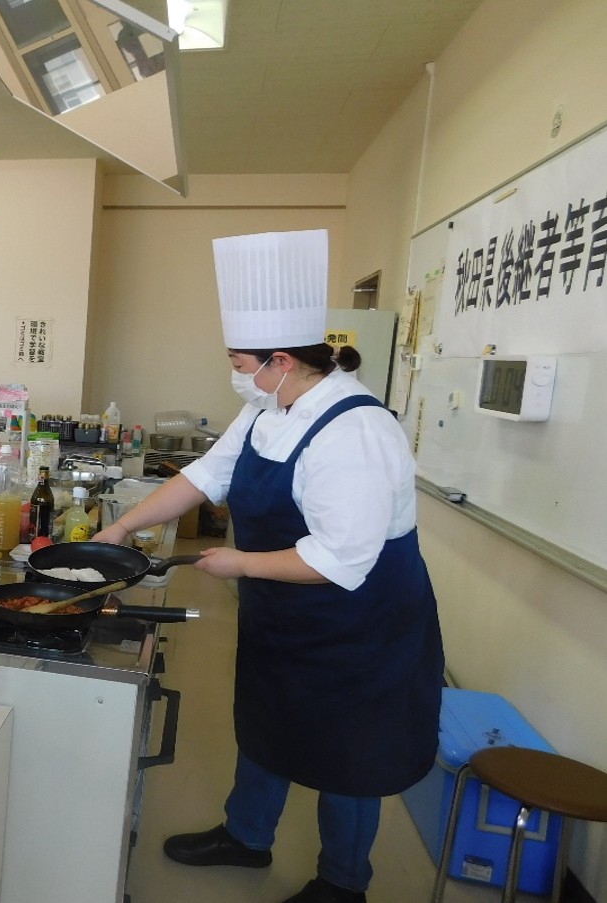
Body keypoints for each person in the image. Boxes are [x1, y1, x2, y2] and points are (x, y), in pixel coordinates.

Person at [91, 230, 444, 903]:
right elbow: (206, 474)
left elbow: (341, 558)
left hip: (359, 620)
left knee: (350, 753)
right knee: (267, 717)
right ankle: (246, 836)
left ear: (282, 360)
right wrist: (124, 525)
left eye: (239, 361)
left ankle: (343, 882)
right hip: (283, 607)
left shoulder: (354, 431)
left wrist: (240, 562)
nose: (235, 373)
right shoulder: (266, 405)